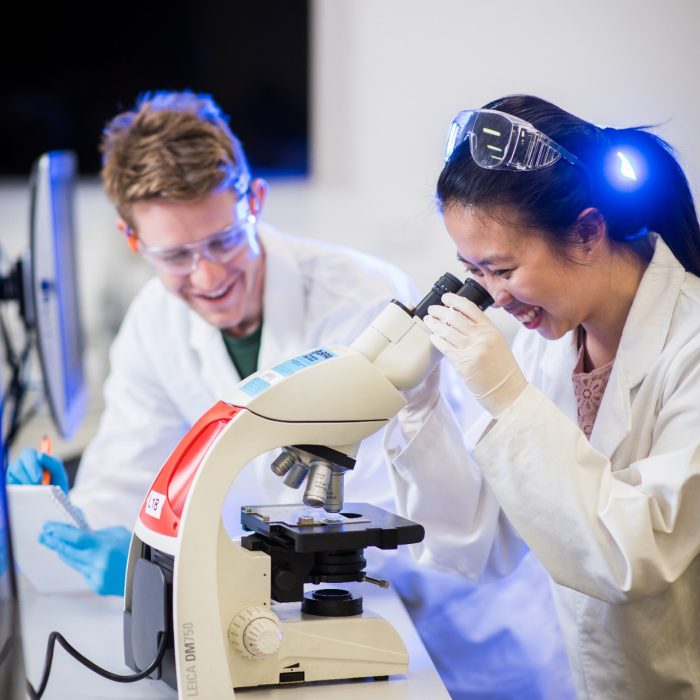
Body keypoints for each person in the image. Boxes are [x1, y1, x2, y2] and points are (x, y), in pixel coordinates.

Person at [9, 91, 574, 698]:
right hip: (302, 620)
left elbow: (389, 511)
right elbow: (130, 475)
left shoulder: (360, 296)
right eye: (175, 256)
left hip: (462, 626)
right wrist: (71, 518)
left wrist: (207, 563)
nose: (208, 275)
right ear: (132, 240)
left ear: (253, 201)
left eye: (223, 241)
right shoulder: (154, 322)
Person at [387, 94, 700, 699]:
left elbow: (634, 556)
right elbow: (479, 541)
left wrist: (510, 401)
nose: (493, 297)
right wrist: (417, 404)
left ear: (586, 232)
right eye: (474, 272)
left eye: (503, 270)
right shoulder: (550, 341)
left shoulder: (689, 346)